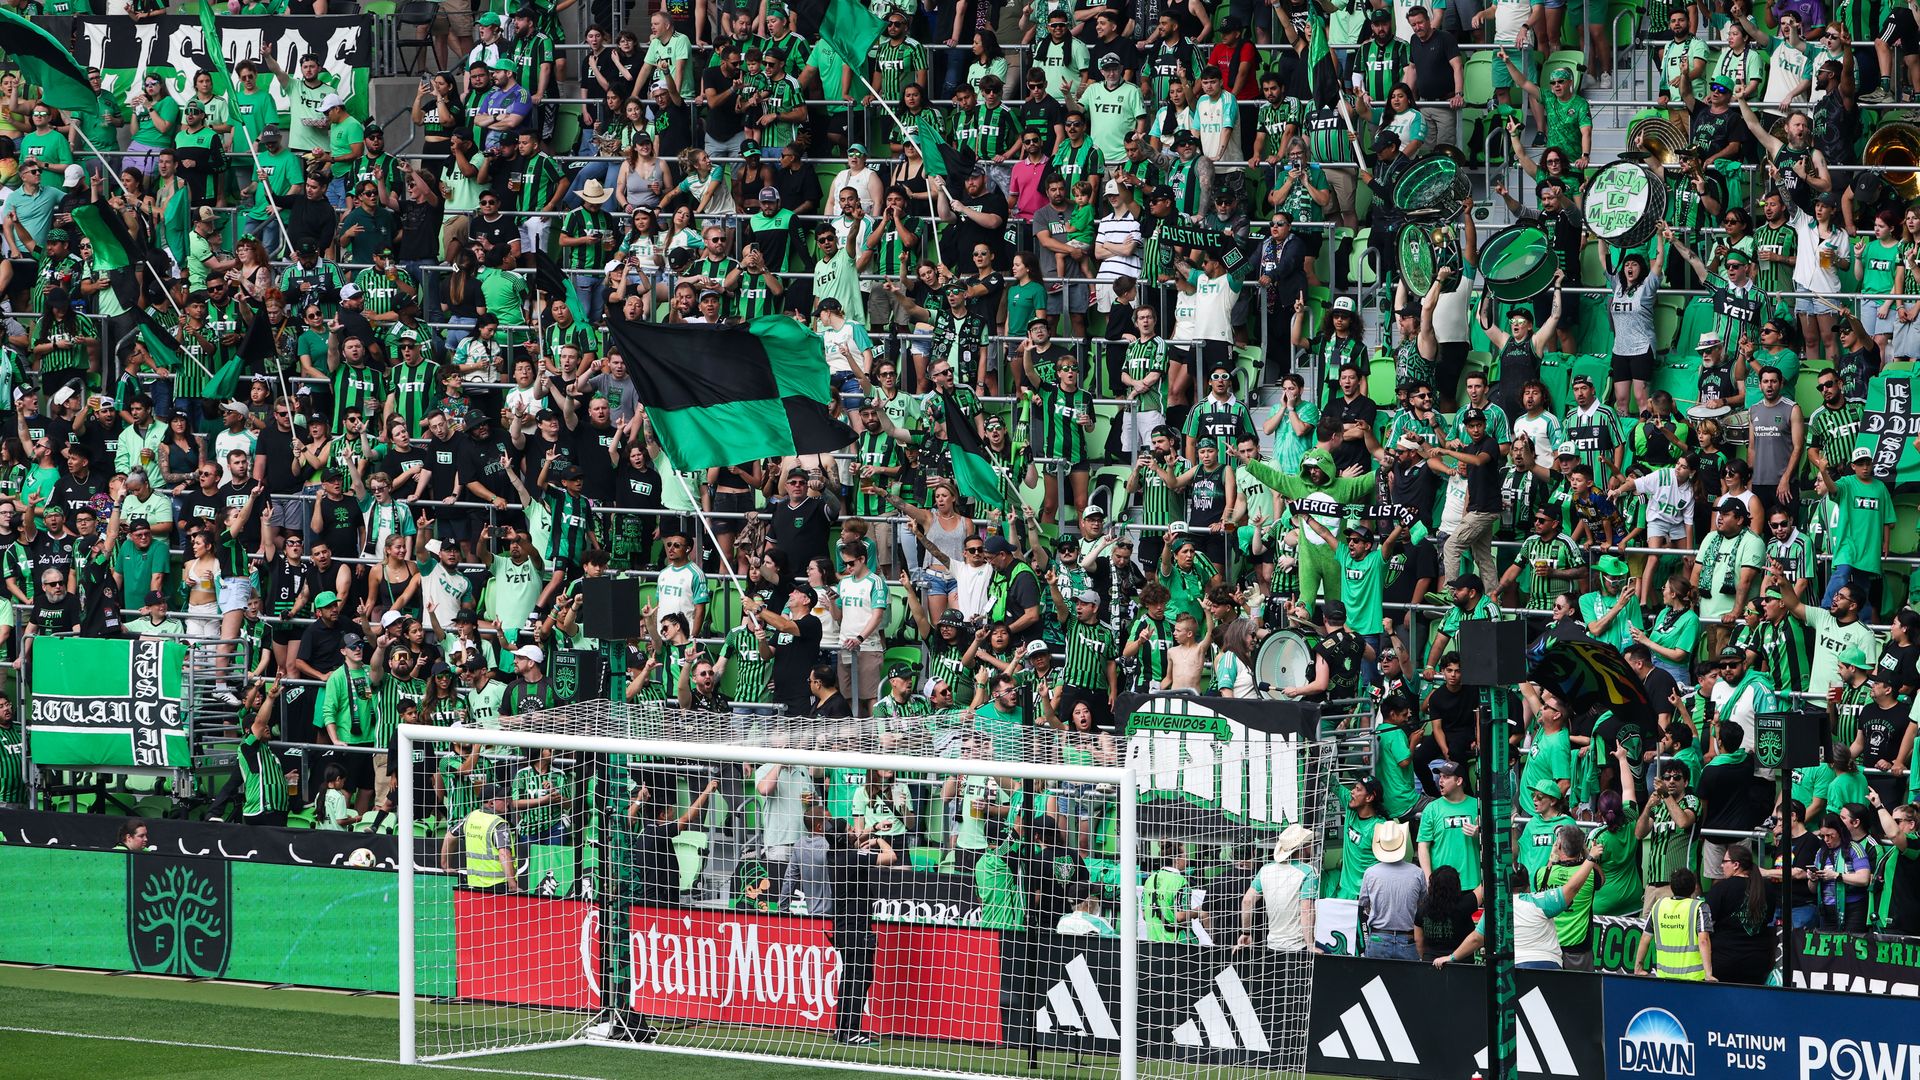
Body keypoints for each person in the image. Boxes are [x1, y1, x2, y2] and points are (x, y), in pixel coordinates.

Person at [1435, 833, 1604, 970]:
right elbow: (1572, 888)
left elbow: (1475, 939)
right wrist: (1590, 858)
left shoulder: (1496, 909)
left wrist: (1451, 957)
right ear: (1528, 885)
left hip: (1515, 969)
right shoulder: (1541, 902)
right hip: (1549, 965)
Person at [1357, 821, 1426, 961]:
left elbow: (1363, 903)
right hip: (1408, 938)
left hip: (1378, 937)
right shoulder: (1417, 873)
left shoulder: (1370, 873)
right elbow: (1423, 903)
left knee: (1375, 981)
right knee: (1408, 982)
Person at [1635, 867, 1714, 981]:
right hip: (1694, 978)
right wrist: (1708, 974)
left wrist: (1638, 968)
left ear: (1672, 887)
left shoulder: (1658, 906)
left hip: (1664, 976)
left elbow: (1645, 938)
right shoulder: (1699, 907)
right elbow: (1703, 940)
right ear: (1693, 888)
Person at [440, 780, 518, 893]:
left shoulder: (471, 817)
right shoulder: (499, 824)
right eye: (503, 799)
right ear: (491, 803)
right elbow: (504, 854)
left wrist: (445, 865)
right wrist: (512, 884)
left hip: (474, 884)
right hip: (499, 884)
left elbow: (450, 836)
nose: (508, 801)